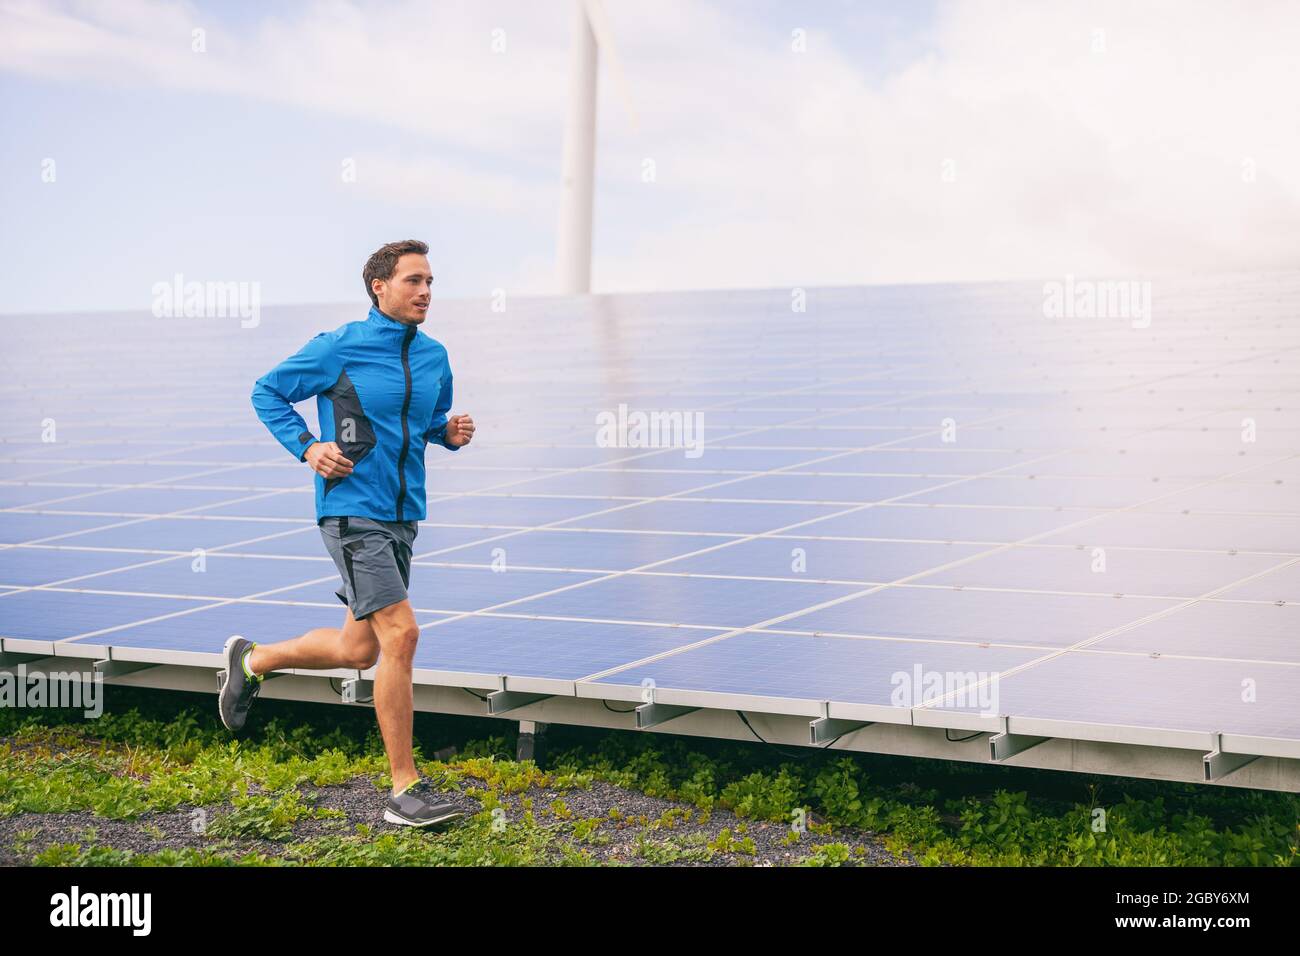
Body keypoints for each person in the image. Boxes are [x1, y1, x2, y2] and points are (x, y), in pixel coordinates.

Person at [220, 239, 475, 827]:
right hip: (352, 510)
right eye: (414, 281)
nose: (426, 292)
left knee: (359, 650)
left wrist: (448, 432)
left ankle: (251, 660)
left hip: (404, 514)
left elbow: (423, 422)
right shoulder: (340, 347)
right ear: (379, 288)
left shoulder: (435, 355)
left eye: (431, 282)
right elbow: (268, 391)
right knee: (402, 636)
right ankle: (405, 789)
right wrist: (309, 447)